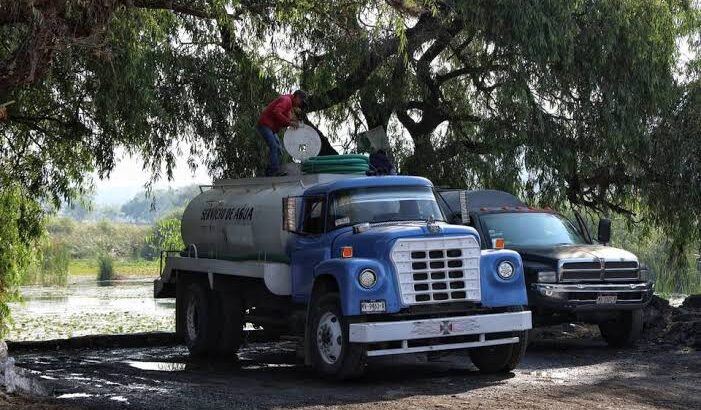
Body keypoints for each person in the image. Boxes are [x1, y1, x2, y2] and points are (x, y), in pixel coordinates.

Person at [256, 90, 308, 176]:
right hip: (265, 125)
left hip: (270, 128)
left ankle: (271, 171)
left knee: (279, 149)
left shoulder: (289, 105)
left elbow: (282, 120)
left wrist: (291, 122)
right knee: (274, 147)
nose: (300, 105)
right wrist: (290, 122)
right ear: (297, 97)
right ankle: (273, 171)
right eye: (301, 102)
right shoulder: (286, 100)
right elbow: (276, 112)